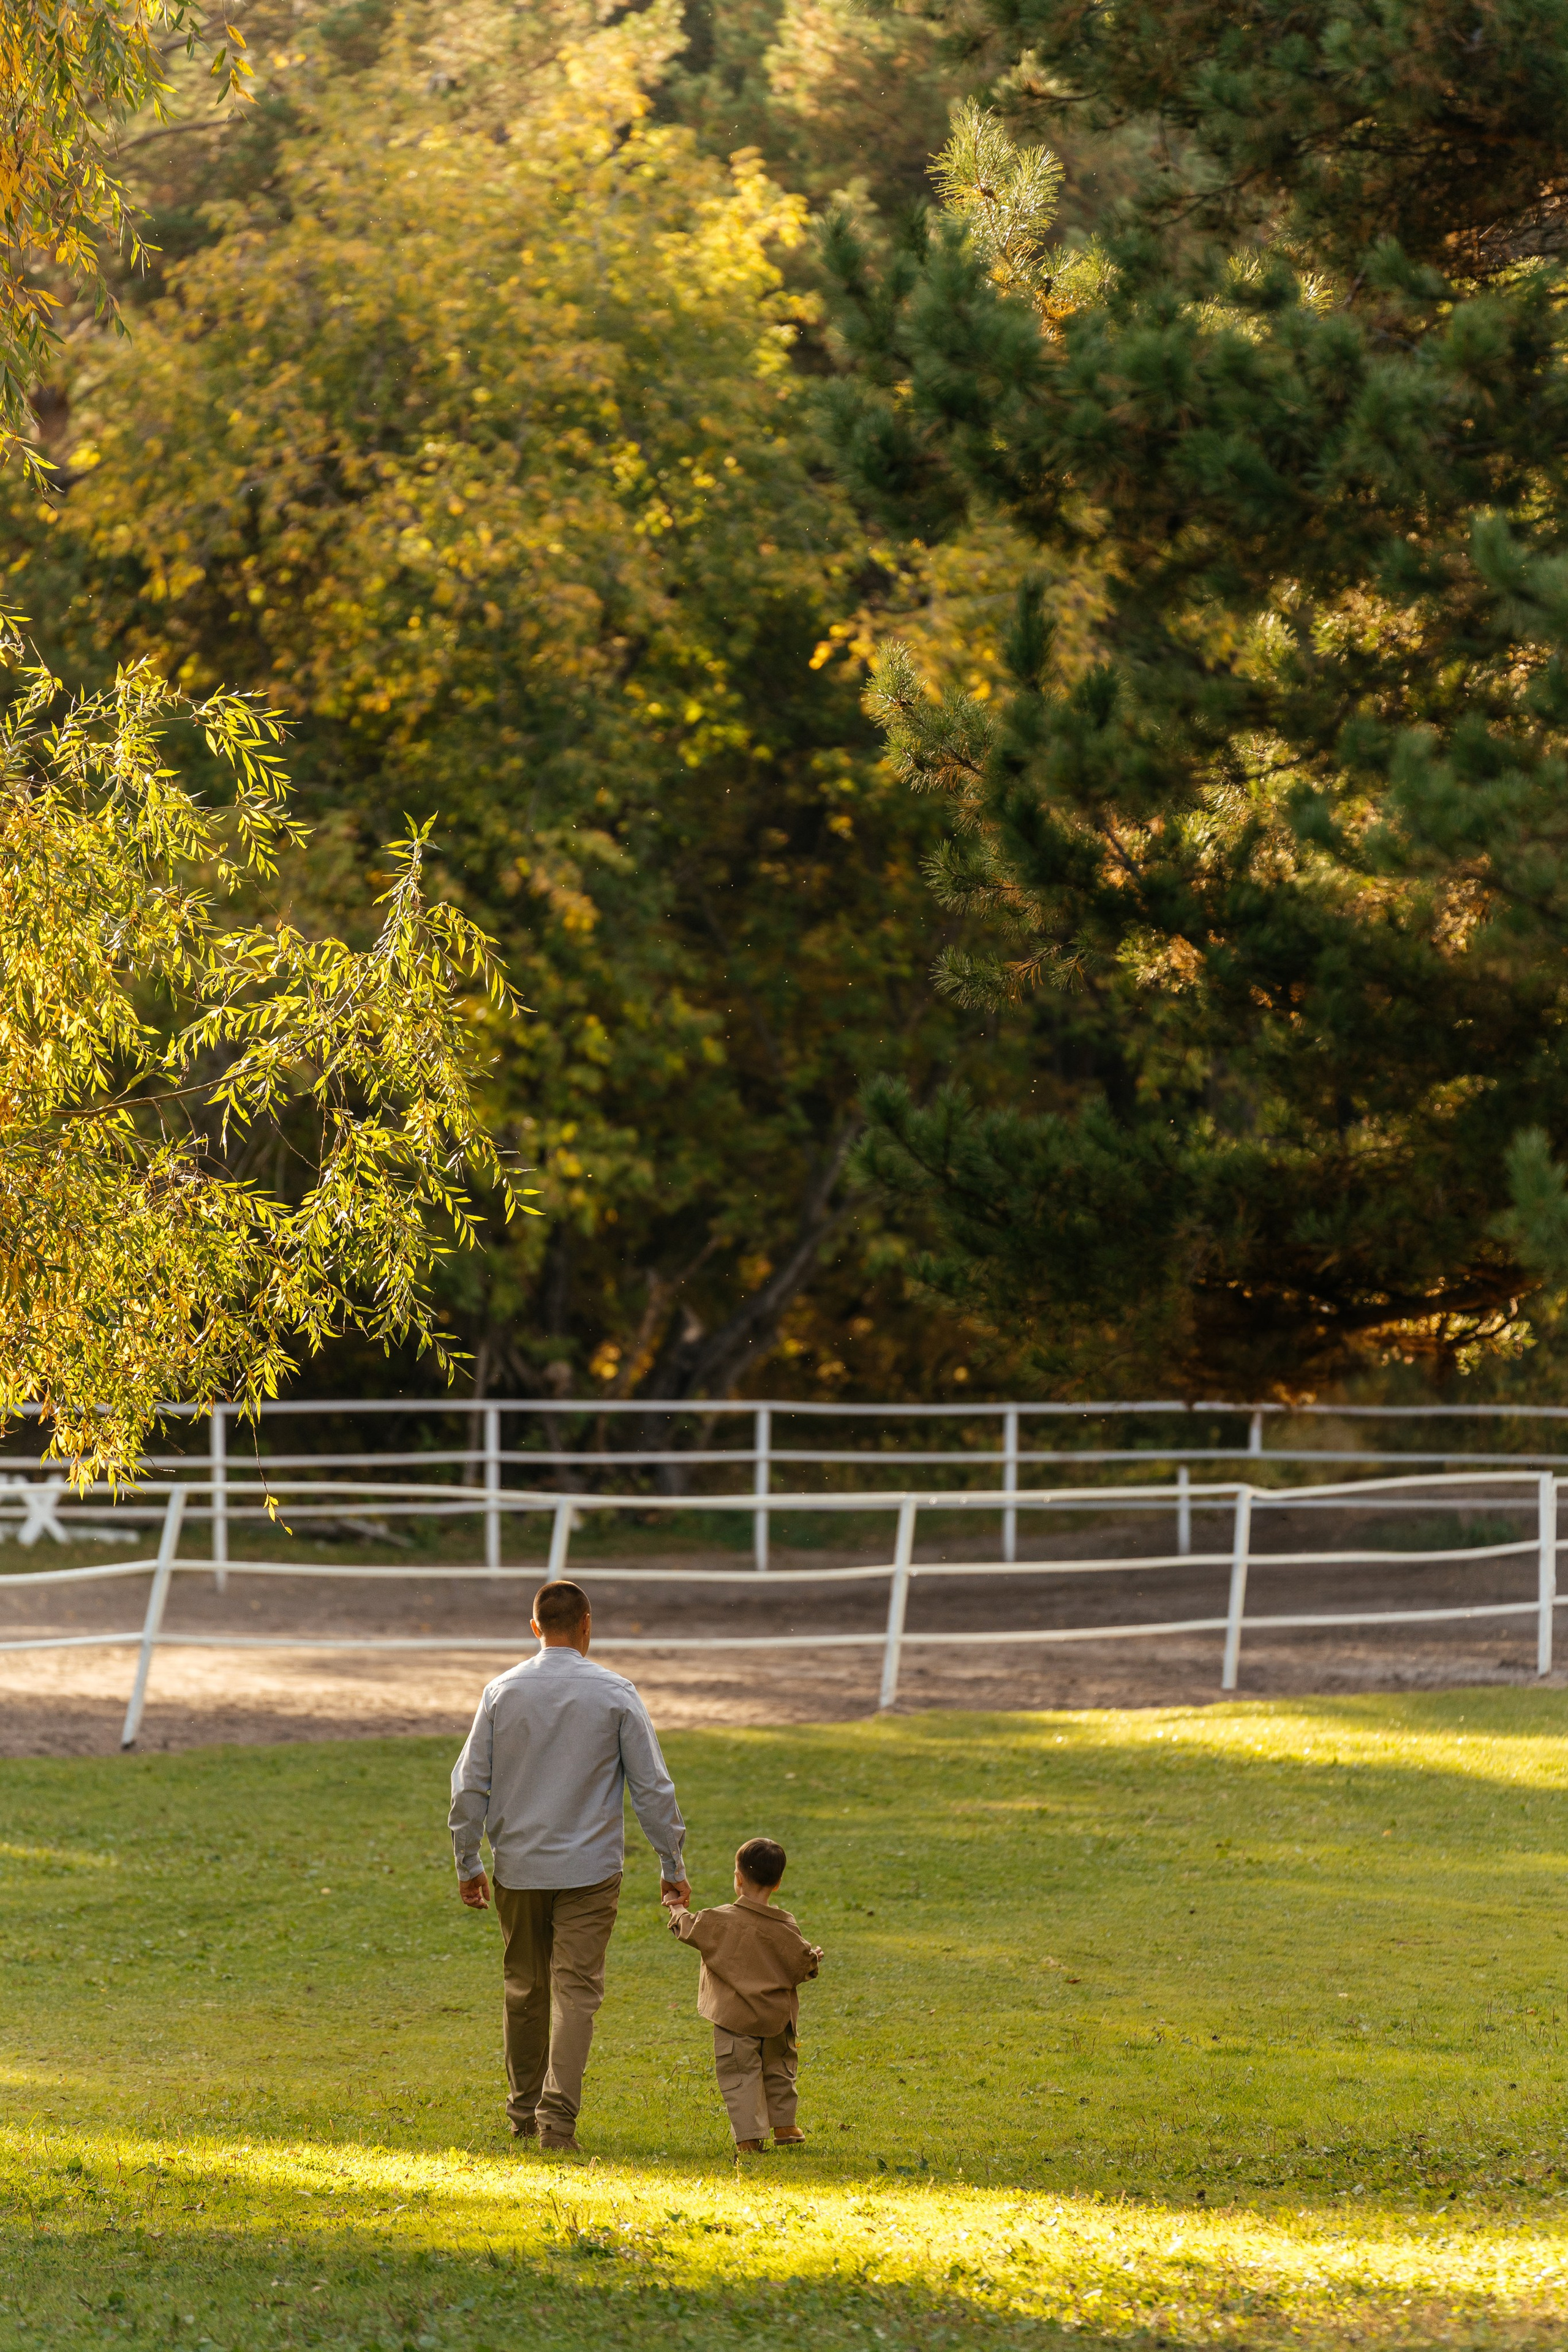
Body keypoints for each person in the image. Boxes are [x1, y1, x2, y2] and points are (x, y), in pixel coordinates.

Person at [449, 1577, 689, 2153]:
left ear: (535, 1628)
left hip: (519, 1868)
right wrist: (671, 1860)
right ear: (588, 1624)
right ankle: (559, 2121)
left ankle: (523, 2112)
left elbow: (468, 1786)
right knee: (576, 1994)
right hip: (590, 1870)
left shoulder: (501, 1692)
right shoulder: (615, 1692)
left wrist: (466, 1860)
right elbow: (652, 1788)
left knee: (523, 1988)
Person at [663, 1835, 823, 2154]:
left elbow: (687, 1928)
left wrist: (677, 1907)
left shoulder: (717, 1920)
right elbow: (800, 1964)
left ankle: (750, 2137)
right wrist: (814, 1960)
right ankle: (785, 2125)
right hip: (777, 2019)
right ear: (777, 1883)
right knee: (780, 2069)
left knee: (740, 2075)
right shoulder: (787, 1926)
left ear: (738, 1879)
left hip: (734, 2019)